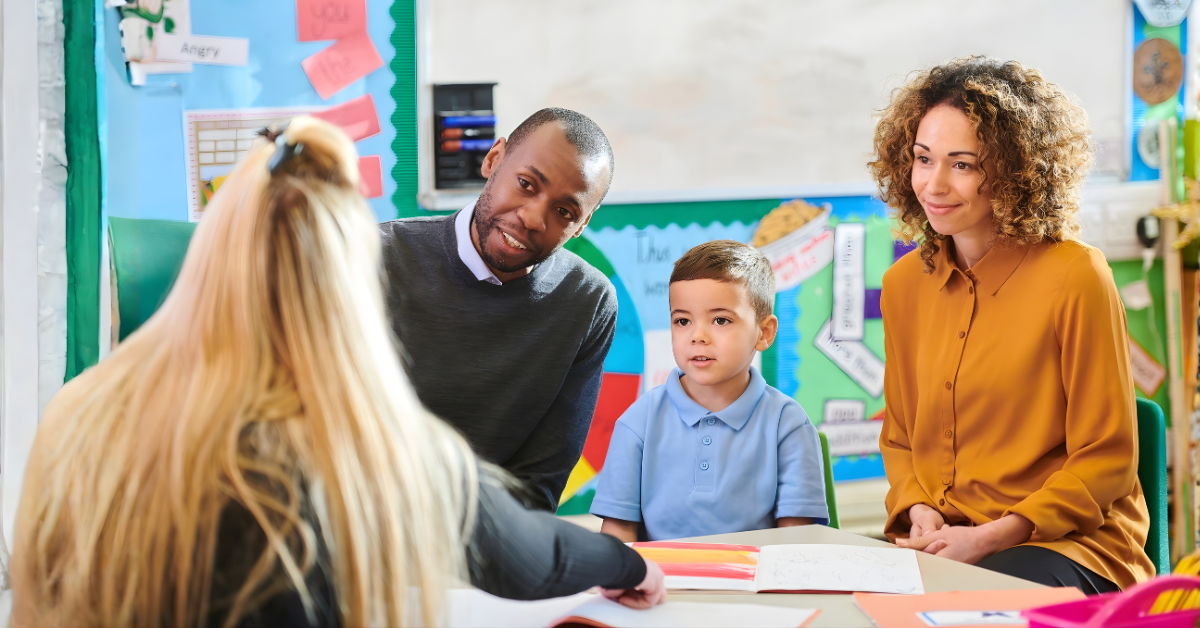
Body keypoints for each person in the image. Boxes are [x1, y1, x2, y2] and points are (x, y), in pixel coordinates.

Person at [9, 117, 665, 627]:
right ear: (345, 289)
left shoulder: (78, 406)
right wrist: (625, 561)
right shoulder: (366, 450)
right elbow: (526, 555)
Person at [870, 56, 1154, 593]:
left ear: (1015, 169)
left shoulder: (1076, 275)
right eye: (923, 159)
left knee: (971, 605)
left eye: (963, 164)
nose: (934, 184)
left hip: (1067, 544)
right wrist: (918, 508)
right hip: (947, 541)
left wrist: (992, 536)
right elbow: (902, 439)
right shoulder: (903, 285)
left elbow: (1107, 457)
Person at [379, 108, 617, 512]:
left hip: (488, 547)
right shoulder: (371, 258)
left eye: (565, 212)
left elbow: (541, 483)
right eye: (526, 184)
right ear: (494, 159)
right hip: (355, 537)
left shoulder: (587, 301)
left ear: (582, 224)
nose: (533, 218)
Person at [591, 240, 828, 542]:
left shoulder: (788, 423)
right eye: (682, 321)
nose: (697, 336)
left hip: (754, 583)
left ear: (764, 333)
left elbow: (796, 539)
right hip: (660, 584)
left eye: (720, 320)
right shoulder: (639, 421)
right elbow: (618, 534)